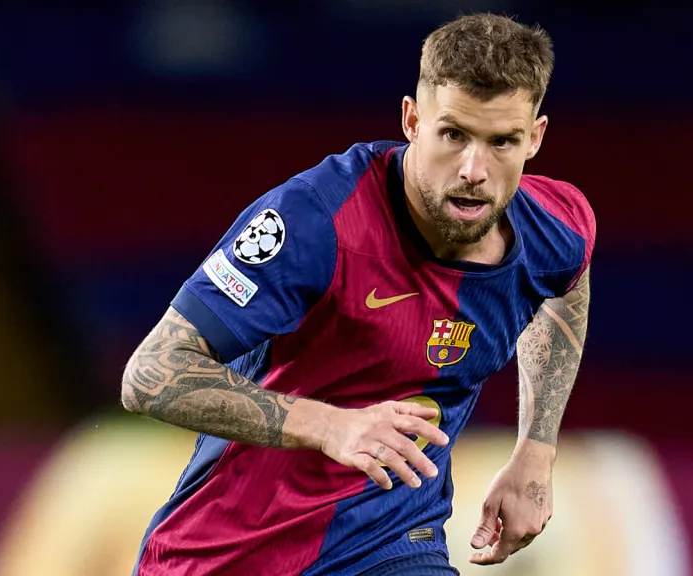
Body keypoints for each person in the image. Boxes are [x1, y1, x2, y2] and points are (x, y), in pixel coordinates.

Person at [121, 12, 594, 576]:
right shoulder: (314, 221)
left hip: (391, 543)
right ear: (412, 120)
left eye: (502, 142)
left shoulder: (555, 226)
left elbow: (566, 284)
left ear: (535, 137)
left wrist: (535, 451)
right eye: (453, 134)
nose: (474, 169)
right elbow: (151, 374)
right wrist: (332, 426)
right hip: (230, 554)